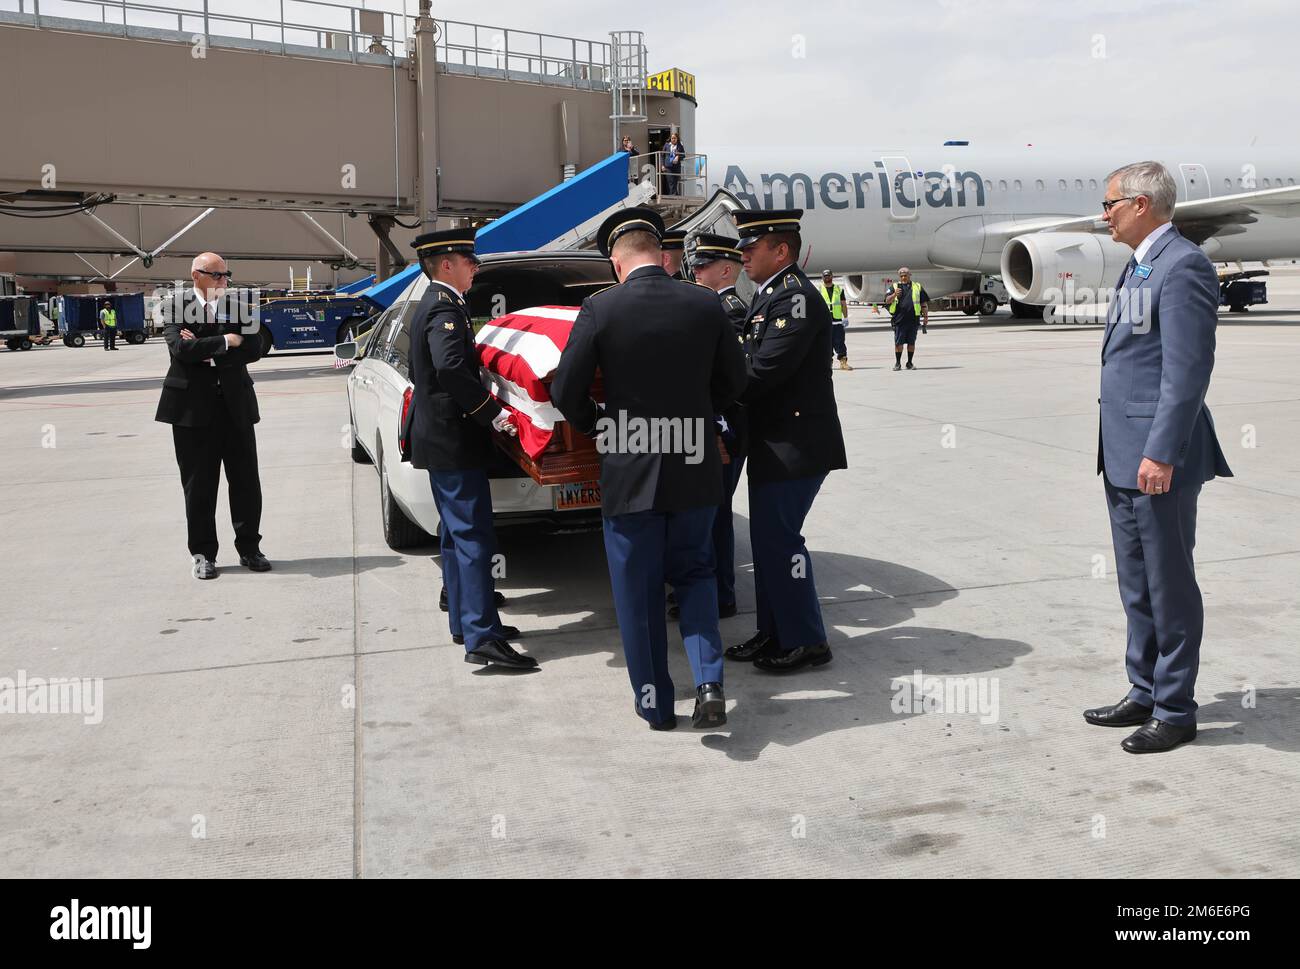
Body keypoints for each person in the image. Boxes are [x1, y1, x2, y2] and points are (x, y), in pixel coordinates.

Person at [552, 207, 746, 730]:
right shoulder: (704, 303)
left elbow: (565, 390)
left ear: (617, 263)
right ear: (661, 255)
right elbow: (735, 381)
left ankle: (656, 705)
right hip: (694, 462)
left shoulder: (600, 308)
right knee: (696, 574)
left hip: (630, 467)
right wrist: (698, 414)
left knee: (638, 592)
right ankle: (709, 682)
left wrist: (598, 423)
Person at [1084, 161, 1233, 754]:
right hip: (1122, 453)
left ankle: (1174, 709)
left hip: (1156, 458)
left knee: (1169, 584)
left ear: (1141, 205)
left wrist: (1162, 452)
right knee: (1137, 583)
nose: (1105, 215)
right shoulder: (1142, 262)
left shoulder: (1183, 265)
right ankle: (1144, 689)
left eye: (1110, 204)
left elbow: (1187, 371)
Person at [405, 227, 534, 672]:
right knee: (474, 537)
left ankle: (466, 621)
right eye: (469, 260)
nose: (475, 267)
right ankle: (483, 637)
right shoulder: (443, 307)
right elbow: (451, 369)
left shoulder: (441, 303)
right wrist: (491, 413)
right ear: (446, 265)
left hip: (444, 441)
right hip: (454, 442)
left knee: (455, 536)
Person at [725, 209, 847, 673]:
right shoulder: (768, 294)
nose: (743, 255)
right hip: (772, 440)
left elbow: (762, 372)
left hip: (795, 444)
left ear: (781, 251)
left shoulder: (796, 298)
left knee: (781, 542)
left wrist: (707, 385)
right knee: (766, 543)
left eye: (751, 248)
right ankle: (774, 631)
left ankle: (807, 640)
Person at [155, 253, 269, 579]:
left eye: (226, 274)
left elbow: (255, 349)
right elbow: (180, 350)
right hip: (191, 412)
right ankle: (203, 554)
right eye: (216, 275)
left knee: (246, 482)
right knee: (199, 486)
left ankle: (250, 548)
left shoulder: (239, 308)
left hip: (236, 407)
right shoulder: (175, 307)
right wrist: (226, 340)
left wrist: (208, 348)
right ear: (196, 275)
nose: (224, 280)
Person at [685, 233, 749, 619]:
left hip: (724, 430)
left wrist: (716, 425)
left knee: (717, 514)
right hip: (712, 425)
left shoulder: (730, 310)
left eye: (704, 265)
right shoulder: (711, 307)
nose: (696, 270)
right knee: (708, 512)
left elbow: (732, 379)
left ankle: (722, 594)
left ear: (726, 270)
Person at [886, 267, 928, 370]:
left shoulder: (917, 286)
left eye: (905, 275)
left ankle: (909, 363)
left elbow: (923, 303)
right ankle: (898, 363)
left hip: (913, 320)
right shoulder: (894, 287)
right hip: (899, 320)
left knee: (911, 342)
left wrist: (926, 317)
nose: (904, 277)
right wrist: (894, 294)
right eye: (901, 276)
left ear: (910, 275)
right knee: (898, 343)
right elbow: (887, 300)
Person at [819, 270, 852, 371]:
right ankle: (827, 363)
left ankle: (843, 362)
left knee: (840, 343)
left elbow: (843, 304)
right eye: (825, 276)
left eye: (828, 276)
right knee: (826, 344)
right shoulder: (819, 290)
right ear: (822, 277)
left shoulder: (839, 289)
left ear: (832, 276)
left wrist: (845, 317)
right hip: (825, 322)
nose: (827, 277)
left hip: (837, 322)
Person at [662, 131, 684, 196]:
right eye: (672, 138)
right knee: (671, 181)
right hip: (668, 167)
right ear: (670, 138)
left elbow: (683, 155)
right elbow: (662, 156)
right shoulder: (666, 145)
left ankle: (674, 195)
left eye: (675, 138)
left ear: (677, 139)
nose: (673, 139)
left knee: (675, 182)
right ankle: (674, 195)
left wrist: (678, 157)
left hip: (676, 167)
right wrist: (662, 165)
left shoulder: (680, 146)